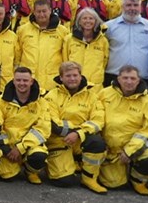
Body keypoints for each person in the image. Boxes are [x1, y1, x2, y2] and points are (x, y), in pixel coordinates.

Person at [43, 61, 107, 193]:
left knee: (97, 142)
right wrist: (74, 131)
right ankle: (66, 163)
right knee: (64, 182)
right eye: (68, 76)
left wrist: (78, 134)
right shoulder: (51, 96)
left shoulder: (92, 96)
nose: (72, 79)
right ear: (61, 78)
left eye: (75, 75)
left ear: (80, 76)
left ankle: (89, 178)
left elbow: (98, 121)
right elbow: (53, 123)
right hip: (59, 141)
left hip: (80, 140)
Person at [98, 66, 148, 194]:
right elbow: (95, 117)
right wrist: (100, 141)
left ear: (138, 81)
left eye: (133, 78)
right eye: (125, 78)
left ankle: (137, 180)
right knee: (113, 184)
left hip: (134, 148)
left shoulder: (147, 101)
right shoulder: (104, 94)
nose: (129, 81)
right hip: (110, 150)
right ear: (118, 79)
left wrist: (129, 151)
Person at [0, 67, 49, 184]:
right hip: (8, 147)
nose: (22, 83)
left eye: (25, 80)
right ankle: (13, 164)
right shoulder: (1, 101)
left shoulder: (41, 102)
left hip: (30, 145)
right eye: (18, 80)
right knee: (6, 176)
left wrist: (20, 148)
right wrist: (6, 149)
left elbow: (42, 129)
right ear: (13, 81)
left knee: (39, 156)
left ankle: (30, 171)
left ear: (31, 81)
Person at [104, 0, 148, 88]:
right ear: (122, 7)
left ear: (140, 7)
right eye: (128, 5)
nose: (132, 8)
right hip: (114, 77)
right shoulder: (108, 27)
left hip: (142, 78)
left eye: (135, 5)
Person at [63, 8, 110, 88]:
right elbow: (65, 59)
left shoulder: (103, 40)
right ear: (79, 21)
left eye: (91, 18)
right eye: (84, 18)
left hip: (95, 85)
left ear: (96, 21)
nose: (88, 21)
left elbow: (105, 61)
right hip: (75, 83)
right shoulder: (70, 39)